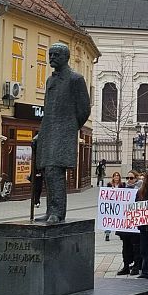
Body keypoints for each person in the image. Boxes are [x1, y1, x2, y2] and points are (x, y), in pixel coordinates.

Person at [33, 42, 91, 224]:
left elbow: (84, 109)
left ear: (66, 57)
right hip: (49, 132)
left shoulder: (76, 79)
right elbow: (47, 110)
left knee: (56, 170)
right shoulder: (50, 80)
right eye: (50, 54)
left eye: (56, 55)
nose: (52, 58)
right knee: (47, 171)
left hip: (64, 133)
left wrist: (71, 126)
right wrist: (40, 134)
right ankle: (51, 209)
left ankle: (58, 212)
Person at [117, 170, 143, 276]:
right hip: (125, 223)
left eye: (131, 178)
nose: (129, 180)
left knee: (136, 246)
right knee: (125, 246)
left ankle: (137, 266)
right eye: (127, 178)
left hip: (135, 224)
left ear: (136, 179)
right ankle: (126, 266)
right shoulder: (123, 189)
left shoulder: (140, 190)